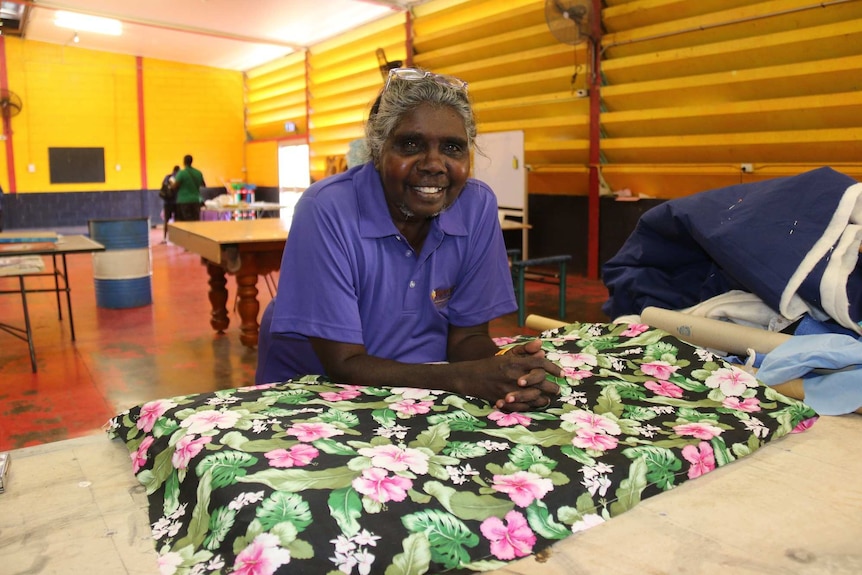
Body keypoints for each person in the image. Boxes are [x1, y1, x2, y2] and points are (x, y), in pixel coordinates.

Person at [257, 67, 561, 412]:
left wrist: (508, 371)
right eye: (411, 144)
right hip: (312, 393)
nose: (434, 164)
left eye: (452, 147)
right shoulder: (327, 208)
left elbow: (467, 338)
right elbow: (343, 363)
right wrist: (467, 378)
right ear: (377, 149)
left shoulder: (477, 206)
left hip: (421, 391)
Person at [173, 154, 206, 221]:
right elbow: (203, 185)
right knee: (196, 221)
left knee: (186, 223)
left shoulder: (182, 173)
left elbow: (174, 186)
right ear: (192, 161)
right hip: (196, 200)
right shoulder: (198, 173)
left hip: (184, 201)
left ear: (184, 162)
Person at [160, 165, 179, 243]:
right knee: (177, 220)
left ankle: (165, 238)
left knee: (166, 220)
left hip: (167, 202)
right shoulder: (179, 177)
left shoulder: (167, 177)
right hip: (176, 202)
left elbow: (163, 186)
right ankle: (177, 238)